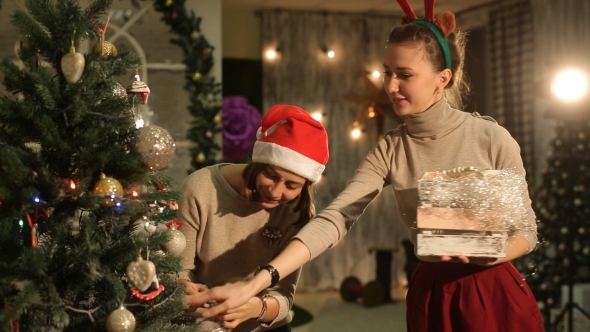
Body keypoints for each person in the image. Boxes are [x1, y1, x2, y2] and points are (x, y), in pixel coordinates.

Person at [184, 1, 545, 331]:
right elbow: (335, 218)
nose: (391, 86)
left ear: (443, 79)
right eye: (387, 72)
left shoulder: (491, 138)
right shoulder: (391, 148)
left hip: (492, 291)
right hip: (432, 293)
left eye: (404, 74)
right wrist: (256, 282)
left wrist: (492, 253)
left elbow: (526, 231)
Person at [176, 104, 329, 332]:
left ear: (305, 186)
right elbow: (177, 267)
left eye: (291, 185)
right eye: (271, 175)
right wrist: (183, 286)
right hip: (202, 321)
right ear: (258, 161)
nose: (276, 192)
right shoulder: (200, 188)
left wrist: (256, 308)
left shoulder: (298, 213)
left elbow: (284, 296)